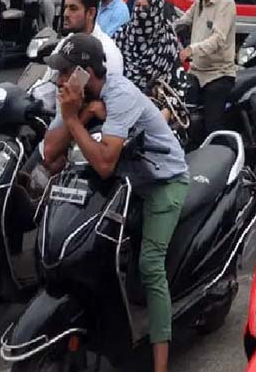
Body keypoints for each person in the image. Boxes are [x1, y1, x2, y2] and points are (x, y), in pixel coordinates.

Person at [41, 34, 188, 372]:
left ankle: (160, 364)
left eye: (65, 72)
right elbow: (50, 153)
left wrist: (73, 119)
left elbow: (105, 162)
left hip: (162, 181)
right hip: (126, 182)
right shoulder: (79, 96)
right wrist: (77, 113)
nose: (59, 80)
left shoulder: (119, 94)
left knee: (150, 266)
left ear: (86, 72)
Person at [174, 0, 236, 133]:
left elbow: (218, 39)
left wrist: (190, 50)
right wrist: (165, 30)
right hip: (196, 71)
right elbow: (183, 21)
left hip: (217, 74)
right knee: (182, 112)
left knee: (212, 125)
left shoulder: (226, 3)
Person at [115, 0, 179, 93]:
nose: (139, 11)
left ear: (156, 11)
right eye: (137, 5)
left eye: (145, 8)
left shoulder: (167, 44)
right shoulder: (122, 34)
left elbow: (168, 82)